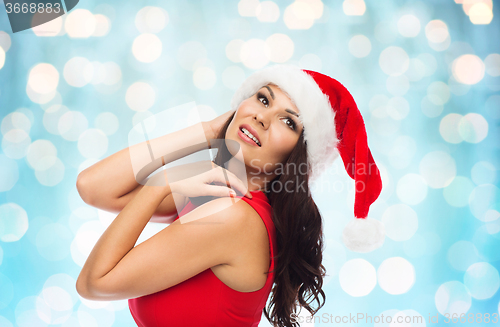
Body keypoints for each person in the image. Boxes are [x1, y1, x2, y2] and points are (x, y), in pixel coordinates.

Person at [75, 64, 384, 327]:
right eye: (263, 99)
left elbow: (93, 283)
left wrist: (162, 183)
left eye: (288, 121)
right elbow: (94, 187)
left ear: (298, 156)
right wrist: (210, 130)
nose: (263, 118)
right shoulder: (224, 194)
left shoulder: (232, 218)